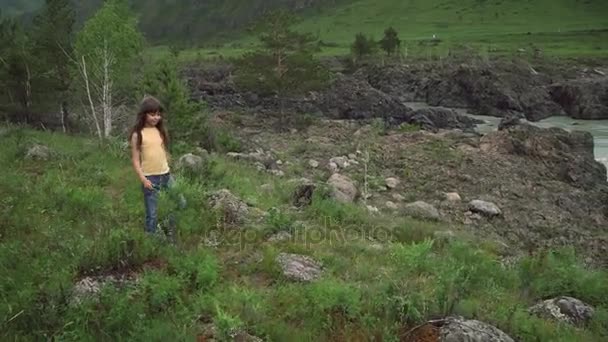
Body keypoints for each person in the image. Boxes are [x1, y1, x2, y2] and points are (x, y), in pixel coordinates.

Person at [129, 96, 178, 241]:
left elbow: (162, 151)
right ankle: (150, 241)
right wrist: (143, 179)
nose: (156, 117)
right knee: (152, 213)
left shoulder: (160, 131)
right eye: (152, 114)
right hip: (150, 178)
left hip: (167, 175)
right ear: (144, 114)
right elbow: (136, 160)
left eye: (158, 114)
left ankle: (171, 233)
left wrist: (167, 164)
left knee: (179, 203)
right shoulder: (138, 134)